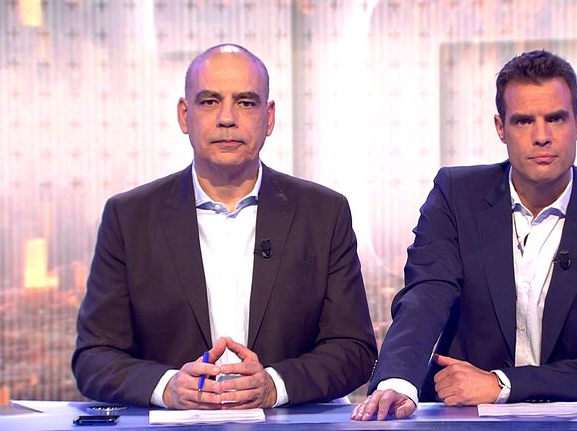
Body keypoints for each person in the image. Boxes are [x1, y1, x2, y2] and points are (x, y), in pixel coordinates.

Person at [352, 50, 577, 421]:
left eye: (555, 118)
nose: (542, 137)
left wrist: (502, 385)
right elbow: (426, 294)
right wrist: (398, 381)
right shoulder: (457, 196)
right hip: (465, 418)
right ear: (500, 128)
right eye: (523, 121)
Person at [72, 44, 377, 410]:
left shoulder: (324, 214)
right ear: (184, 115)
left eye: (245, 102)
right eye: (209, 101)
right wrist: (168, 387)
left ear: (268, 117)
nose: (227, 118)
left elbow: (354, 350)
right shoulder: (129, 218)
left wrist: (274, 386)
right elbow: (94, 357)